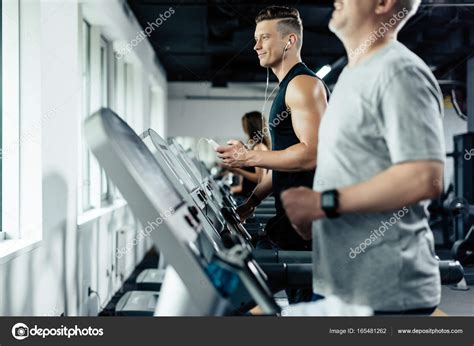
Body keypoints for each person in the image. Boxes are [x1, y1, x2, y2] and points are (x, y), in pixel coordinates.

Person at [281, 0, 445, 314]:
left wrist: (323, 203)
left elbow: (424, 177)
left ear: (383, 4)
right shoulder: (353, 75)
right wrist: (314, 216)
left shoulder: (398, 71)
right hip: (343, 286)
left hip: (385, 295)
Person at [216, 6, 329, 255]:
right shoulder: (288, 87)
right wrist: (251, 203)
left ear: (290, 40)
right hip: (291, 218)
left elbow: (312, 155)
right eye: (256, 39)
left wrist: (247, 156)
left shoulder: (302, 84)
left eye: (264, 37)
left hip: (307, 225)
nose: (256, 46)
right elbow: (282, 160)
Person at [226, 111, 270, 203]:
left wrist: (237, 170)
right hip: (246, 195)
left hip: (250, 198)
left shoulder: (259, 147)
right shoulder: (255, 146)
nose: (244, 128)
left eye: (244, 125)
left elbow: (260, 179)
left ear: (250, 127)